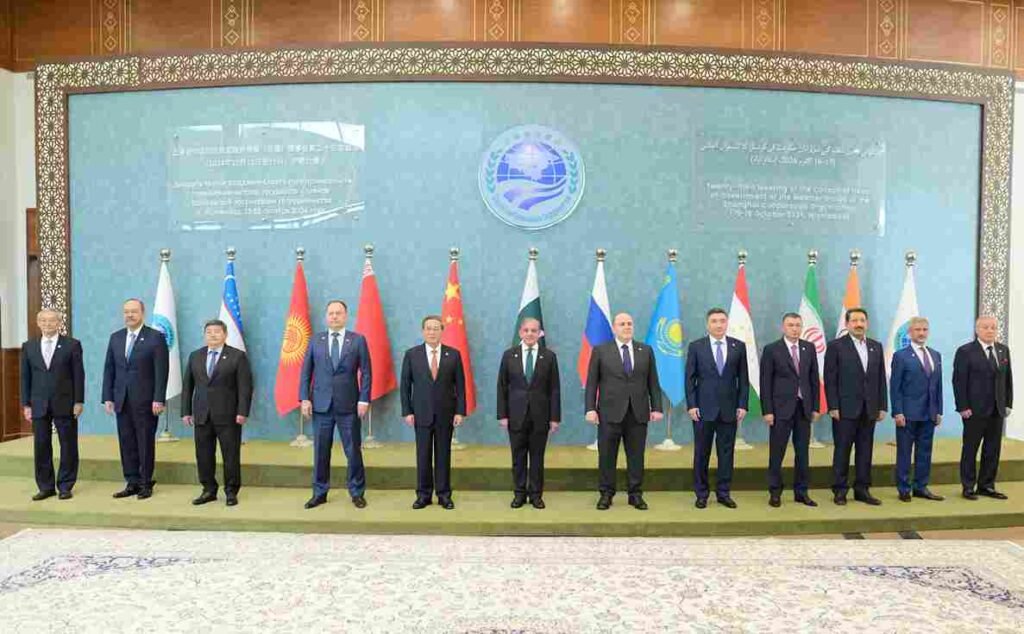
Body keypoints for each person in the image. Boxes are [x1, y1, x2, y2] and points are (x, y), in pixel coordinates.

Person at [586, 312, 663, 511]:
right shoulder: (601, 351)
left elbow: (653, 382)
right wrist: (590, 409)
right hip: (609, 413)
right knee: (606, 456)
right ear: (614, 328)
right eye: (622, 324)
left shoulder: (645, 350)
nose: (627, 327)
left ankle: (635, 494)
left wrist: (657, 407)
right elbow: (592, 383)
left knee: (636, 456)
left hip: (638, 413)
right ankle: (606, 494)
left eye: (630, 323)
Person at [300, 300, 372, 509]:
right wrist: (304, 398)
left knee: (353, 451)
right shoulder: (316, 340)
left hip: (349, 405)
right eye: (330, 313)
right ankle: (319, 492)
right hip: (321, 405)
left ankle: (357, 492)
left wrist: (364, 398)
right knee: (321, 451)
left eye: (338, 313)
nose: (334, 317)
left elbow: (366, 372)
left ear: (346, 316)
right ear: (326, 316)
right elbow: (306, 372)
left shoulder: (357, 340)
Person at [181, 319, 253, 507]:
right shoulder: (195, 356)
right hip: (202, 415)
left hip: (229, 415)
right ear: (204, 335)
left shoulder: (237, 356)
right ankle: (208, 490)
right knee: (203, 455)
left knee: (230, 455)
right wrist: (185, 411)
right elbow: (188, 386)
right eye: (209, 332)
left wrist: (242, 411)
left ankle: (231, 491)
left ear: (225, 334)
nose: (213, 335)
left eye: (217, 332)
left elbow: (245, 387)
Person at [103, 298, 169, 500]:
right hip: (121, 400)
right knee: (127, 442)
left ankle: (145, 483)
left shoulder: (156, 337)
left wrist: (159, 399)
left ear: (142, 313)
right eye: (126, 312)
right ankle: (131, 481)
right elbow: (109, 369)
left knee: (145, 442)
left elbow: (162, 371)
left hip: (147, 401)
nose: (129, 315)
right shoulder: (116, 338)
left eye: (133, 311)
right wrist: (108, 397)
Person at [685, 307, 748, 509]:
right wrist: (692, 404)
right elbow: (689, 379)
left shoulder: (738, 346)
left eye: (722, 320)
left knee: (726, 454)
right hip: (703, 410)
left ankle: (723, 493)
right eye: (714, 321)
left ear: (727, 323)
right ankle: (701, 494)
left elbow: (744, 380)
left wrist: (742, 405)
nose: (719, 324)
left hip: (730, 410)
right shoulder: (696, 347)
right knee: (701, 453)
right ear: (707, 324)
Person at [401, 315, 466, 510]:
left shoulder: (453, 355)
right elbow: (405, 386)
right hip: (420, 414)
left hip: (446, 414)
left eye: (436, 328)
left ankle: (444, 495)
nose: (432, 332)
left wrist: (459, 411)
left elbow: (461, 387)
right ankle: (423, 495)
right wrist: (407, 411)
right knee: (423, 455)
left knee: (443, 455)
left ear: (441, 331)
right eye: (428, 328)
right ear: (423, 331)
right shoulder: (412, 354)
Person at [824, 307, 887, 506]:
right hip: (844, 409)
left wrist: (882, 405)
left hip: (869, 409)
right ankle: (840, 490)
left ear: (866, 324)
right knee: (842, 451)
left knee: (865, 451)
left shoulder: (876, 346)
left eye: (862, 320)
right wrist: (833, 405)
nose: (859, 324)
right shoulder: (836, 346)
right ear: (847, 324)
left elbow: (880, 380)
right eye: (855, 321)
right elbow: (830, 378)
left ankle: (862, 490)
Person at [20, 309, 84, 501]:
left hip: (65, 403)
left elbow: (79, 376)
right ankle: (45, 487)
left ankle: (65, 486)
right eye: (43, 321)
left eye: (51, 321)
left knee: (68, 445)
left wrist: (78, 401)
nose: (48, 324)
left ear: (59, 323)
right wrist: (26, 404)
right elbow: (25, 378)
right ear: (38, 323)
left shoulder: (72, 345)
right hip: (38, 404)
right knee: (41, 446)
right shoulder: (28, 346)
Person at [496, 318, 561, 509]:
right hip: (515, 415)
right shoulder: (509, 355)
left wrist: (554, 417)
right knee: (518, 457)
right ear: (520, 333)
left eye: (534, 330)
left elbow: (554, 389)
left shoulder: (549, 356)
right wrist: (502, 415)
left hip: (541, 415)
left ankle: (535, 495)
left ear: (540, 333)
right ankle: (519, 494)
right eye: (527, 330)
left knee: (537, 458)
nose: (530, 334)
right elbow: (501, 387)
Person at [759, 312, 819, 507]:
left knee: (803, 453)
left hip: (804, 409)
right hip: (780, 410)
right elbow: (765, 382)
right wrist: (767, 410)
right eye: (791, 325)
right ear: (783, 327)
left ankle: (801, 492)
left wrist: (815, 407)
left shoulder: (809, 348)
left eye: (798, 325)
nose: (795, 328)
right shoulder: (772, 350)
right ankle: (775, 492)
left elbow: (813, 380)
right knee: (777, 453)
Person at [953, 315, 1013, 500]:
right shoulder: (965, 351)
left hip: (997, 410)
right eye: (985, 327)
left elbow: (1008, 379)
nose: (990, 330)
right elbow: (959, 381)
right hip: (974, 410)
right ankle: (968, 486)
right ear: (977, 329)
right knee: (970, 449)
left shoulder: (1003, 350)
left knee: (992, 449)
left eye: (993, 327)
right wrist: (962, 406)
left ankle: (986, 485)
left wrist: (1008, 403)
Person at [890, 317, 944, 502]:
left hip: (929, 413)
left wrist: (939, 411)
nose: (921, 333)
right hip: (907, 414)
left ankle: (921, 487)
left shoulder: (935, 355)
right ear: (910, 333)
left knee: (925, 452)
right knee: (905, 453)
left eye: (925, 329)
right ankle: (904, 489)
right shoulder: (901, 356)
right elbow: (895, 387)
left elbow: (938, 386)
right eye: (918, 330)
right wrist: (897, 411)